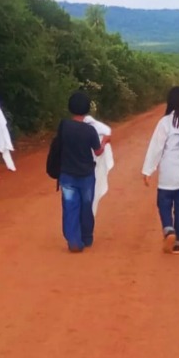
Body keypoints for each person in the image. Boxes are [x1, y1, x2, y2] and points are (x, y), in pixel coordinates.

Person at [142, 86, 179, 254]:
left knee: (164, 203)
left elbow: (156, 148)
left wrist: (148, 170)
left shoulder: (165, 122)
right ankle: (177, 243)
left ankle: (168, 230)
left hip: (169, 173)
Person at [57, 92, 109, 252]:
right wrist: (105, 141)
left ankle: (73, 240)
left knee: (70, 207)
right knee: (86, 207)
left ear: (70, 107)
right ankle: (86, 237)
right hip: (86, 175)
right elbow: (98, 152)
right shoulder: (90, 130)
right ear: (87, 109)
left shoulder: (64, 126)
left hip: (67, 174)